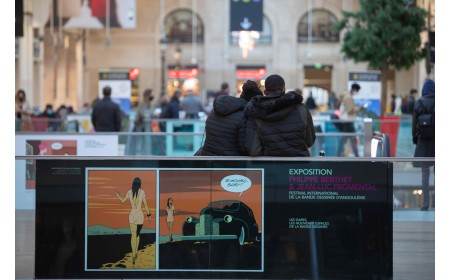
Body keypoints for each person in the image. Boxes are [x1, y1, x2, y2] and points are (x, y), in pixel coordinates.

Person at [244, 74, 316, 157]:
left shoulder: (255, 112)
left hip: (270, 166)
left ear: (265, 92)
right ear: (284, 90)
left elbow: (254, 151)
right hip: (298, 166)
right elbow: (310, 141)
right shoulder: (302, 109)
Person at [194, 80, 263, 156]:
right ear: (253, 101)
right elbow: (244, 148)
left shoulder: (215, 110)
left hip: (207, 159)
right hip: (228, 162)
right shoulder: (244, 116)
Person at [115, 177, 151, 264]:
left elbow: (123, 201)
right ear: (140, 184)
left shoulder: (129, 192)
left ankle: (134, 253)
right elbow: (145, 204)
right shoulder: (142, 192)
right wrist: (149, 215)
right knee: (137, 235)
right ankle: (135, 253)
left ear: (133, 184)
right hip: (139, 216)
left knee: (134, 235)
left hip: (132, 216)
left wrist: (117, 195)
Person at [412, 79, 435, 211]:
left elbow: (414, 124)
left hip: (423, 142)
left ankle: (425, 203)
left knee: (425, 174)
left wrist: (415, 138)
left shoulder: (419, 102)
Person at [337, 83, 364, 157]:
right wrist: (359, 108)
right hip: (348, 121)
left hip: (346, 121)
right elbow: (350, 110)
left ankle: (340, 155)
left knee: (348, 139)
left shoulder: (346, 96)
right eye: (357, 90)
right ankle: (356, 155)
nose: (357, 92)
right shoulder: (348, 97)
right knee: (350, 139)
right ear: (354, 89)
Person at [127, 89, 155, 155]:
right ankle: (138, 155)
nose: (152, 96)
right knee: (139, 143)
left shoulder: (148, 104)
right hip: (139, 127)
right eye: (151, 95)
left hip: (144, 127)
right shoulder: (143, 104)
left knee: (143, 142)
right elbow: (144, 114)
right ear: (147, 95)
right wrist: (150, 114)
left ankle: (144, 154)